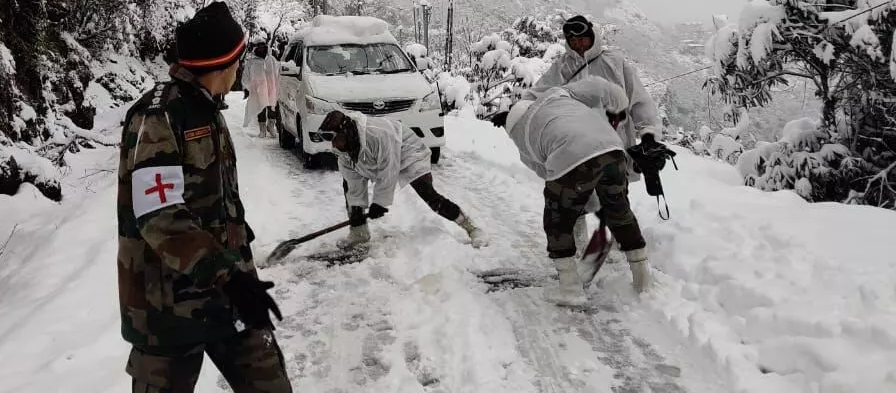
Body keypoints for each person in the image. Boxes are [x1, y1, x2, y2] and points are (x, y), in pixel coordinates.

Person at [117, 2, 293, 393]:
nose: (241, 68)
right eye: (238, 60)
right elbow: (159, 215)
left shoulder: (207, 109)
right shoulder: (158, 116)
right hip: (167, 308)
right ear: (222, 64)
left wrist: (241, 271)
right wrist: (230, 276)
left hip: (227, 295)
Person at [497, 78, 652, 306]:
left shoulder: (522, 134)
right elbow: (600, 86)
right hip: (613, 147)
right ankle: (643, 281)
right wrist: (619, 105)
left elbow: (548, 171)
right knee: (619, 211)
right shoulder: (557, 95)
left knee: (557, 220)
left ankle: (569, 289)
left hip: (571, 153)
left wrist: (573, 199)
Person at [527, 15, 663, 248]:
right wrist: (516, 110)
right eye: (573, 41)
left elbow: (639, 101)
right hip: (575, 147)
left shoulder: (615, 63)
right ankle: (578, 244)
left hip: (614, 146)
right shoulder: (562, 67)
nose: (578, 44)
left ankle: (623, 245)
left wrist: (648, 134)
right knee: (573, 199)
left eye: (582, 39)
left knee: (615, 199)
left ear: (592, 36)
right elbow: (538, 94)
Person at [319, 109, 488, 248]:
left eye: (333, 138)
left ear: (345, 131)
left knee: (428, 193)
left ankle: (471, 227)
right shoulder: (343, 151)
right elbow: (354, 183)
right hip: (376, 158)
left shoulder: (378, 134)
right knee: (349, 189)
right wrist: (357, 211)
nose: (332, 145)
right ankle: (359, 233)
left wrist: (380, 202)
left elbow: (388, 170)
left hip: (408, 151)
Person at [243, 41, 279, 138]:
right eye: (259, 47)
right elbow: (246, 75)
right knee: (260, 108)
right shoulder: (251, 62)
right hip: (258, 90)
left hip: (271, 88)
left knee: (272, 108)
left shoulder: (271, 59)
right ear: (256, 48)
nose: (261, 48)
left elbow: (277, 72)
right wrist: (248, 87)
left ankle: (271, 126)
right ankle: (262, 129)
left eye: (263, 46)